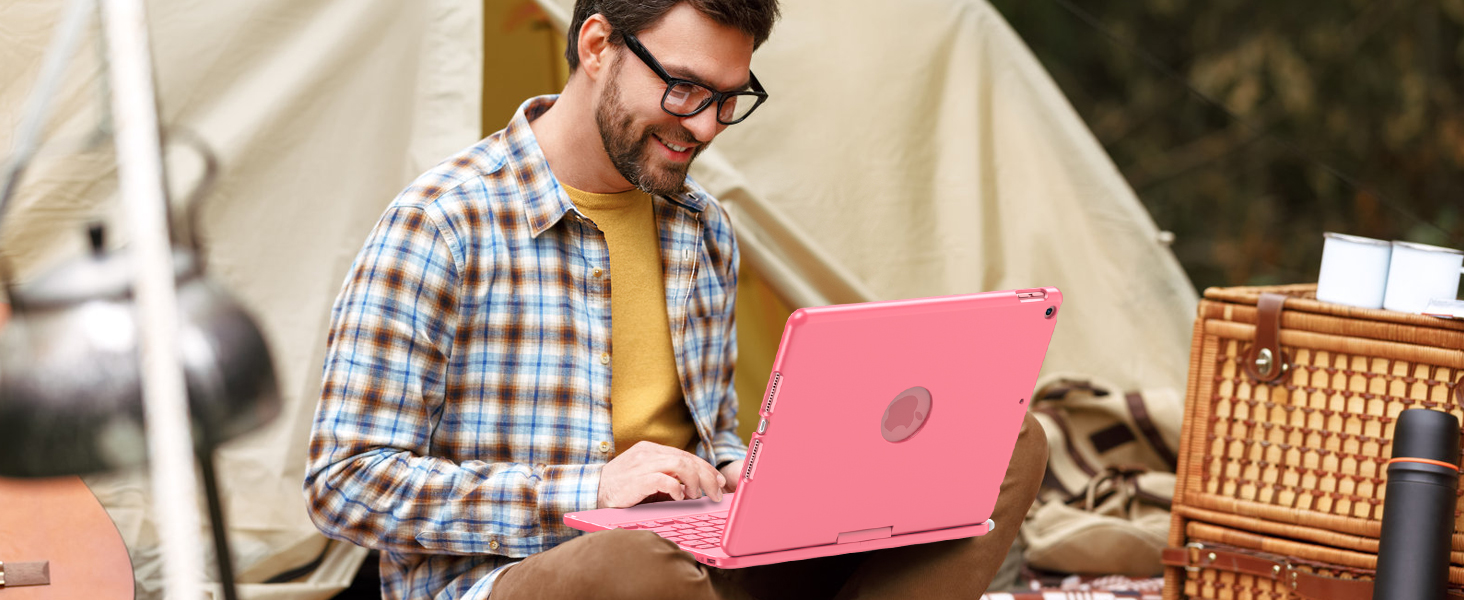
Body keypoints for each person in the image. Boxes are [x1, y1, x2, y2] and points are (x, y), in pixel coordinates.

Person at [303, 1, 1048, 598]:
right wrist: (591, 489)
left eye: (729, 99)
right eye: (685, 87)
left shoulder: (703, 230)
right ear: (597, 47)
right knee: (632, 567)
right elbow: (343, 483)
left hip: (699, 569)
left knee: (1004, 439)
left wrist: (741, 475)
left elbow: (711, 432)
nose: (703, 126)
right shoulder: (441, 221)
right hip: (538, 577)